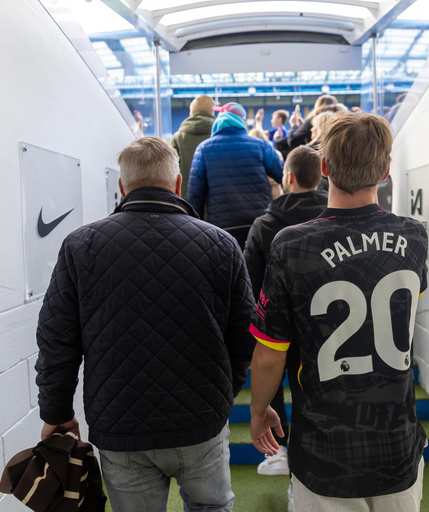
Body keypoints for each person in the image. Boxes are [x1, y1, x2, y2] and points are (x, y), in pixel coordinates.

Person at [35, 136, 256, 512]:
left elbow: (57, 340)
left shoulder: (80, 246)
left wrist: (56, 413)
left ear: (121, 187)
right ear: (178, 183)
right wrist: (223, 391)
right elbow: (244, 337)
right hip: (201, 419)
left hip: (120, 425)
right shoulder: (221, 245)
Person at [249, 112, 429, 511]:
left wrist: (260, 410)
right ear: (385, 171)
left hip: (323, 451)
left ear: (325, 167)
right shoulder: (414, 235)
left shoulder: (291, 245)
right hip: (397, 443)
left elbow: (268, 353)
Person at [243, 145, 328, 479]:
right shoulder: (336, 217)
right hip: (326, 325)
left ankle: (278, 448)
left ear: (288, 177)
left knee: (271, 372)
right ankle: (311, 452)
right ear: (320, 176)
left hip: (277, 325)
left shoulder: (265, 224)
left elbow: (249, 280)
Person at [188, 102, 283, 236]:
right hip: (259, 223)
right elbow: (283, 175)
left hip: (222, 227)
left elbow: (195, 195)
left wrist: (196, 230)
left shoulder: (203, 149)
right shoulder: (261, 145)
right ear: (242, 121)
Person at [170, 95, 215, 197]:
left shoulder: (178, 138)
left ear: (191, 113)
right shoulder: (220, 137)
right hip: (214, 203)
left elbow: (170, 175)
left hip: (185, 203)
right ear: (212, 113)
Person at [274, 94, 338, 159]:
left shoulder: (315, 118)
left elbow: (293, 141)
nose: (311, 129)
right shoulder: (335, 118)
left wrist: (294, 125)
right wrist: (303, 127)